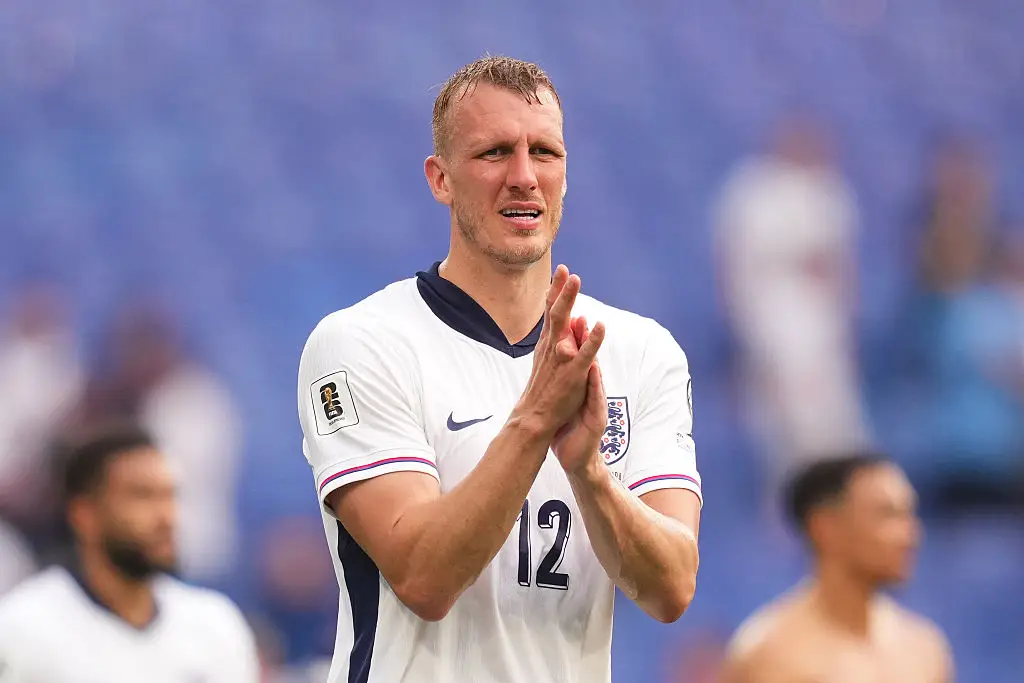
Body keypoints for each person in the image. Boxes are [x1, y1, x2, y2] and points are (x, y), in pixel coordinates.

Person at [296, 56, 702, 683]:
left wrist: (589, 472)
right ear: (441, 179)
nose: (524, 177)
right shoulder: (361, 344)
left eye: (544, 151)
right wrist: (535, 422)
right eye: (493, 154)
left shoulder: (640, 352)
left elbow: (672, 588)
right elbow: (424, 579)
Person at [0, 422, 260, 682]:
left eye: (170, 496)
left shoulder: (216, 626)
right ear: (84, 514)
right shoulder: (22, 631)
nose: (166, 516)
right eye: (141, 496)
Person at [721, 454, 954, 683]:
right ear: (825, 527)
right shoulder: (771, 656)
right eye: (887, 515)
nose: (910, 535)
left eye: (909, 515)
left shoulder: (924, 650)